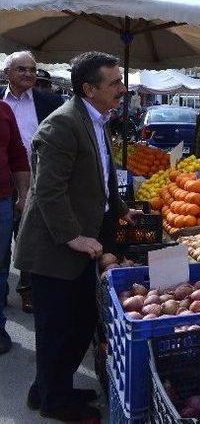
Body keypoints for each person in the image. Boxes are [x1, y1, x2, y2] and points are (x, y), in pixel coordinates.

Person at [14, 51, 136, 421]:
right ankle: (54, 402)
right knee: (59, 328)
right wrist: (74, 238)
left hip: (81, 239)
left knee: (79, 322)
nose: (123, 88)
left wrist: (118, 209)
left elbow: (101, 175)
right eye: (114, 83)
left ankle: (48, 389)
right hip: (54, 247)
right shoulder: (62, 125)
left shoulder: (97, 120)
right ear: (89, 88)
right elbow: (48, 191)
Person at [1, 51, 64, 313]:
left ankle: (29, 291)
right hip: (6, 180)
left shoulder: (50, 101)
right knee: (3, 243)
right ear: (7, 73)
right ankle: (1, 294)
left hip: (40, 181)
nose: (29, 74)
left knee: (31, 240)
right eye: (22, 69)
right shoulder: (1, 105)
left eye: (32, 69)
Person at [0, 100, 30, 355]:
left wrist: (23, 194)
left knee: (0, 264)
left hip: (2, 199)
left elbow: (18, 155)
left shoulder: (4, 110)